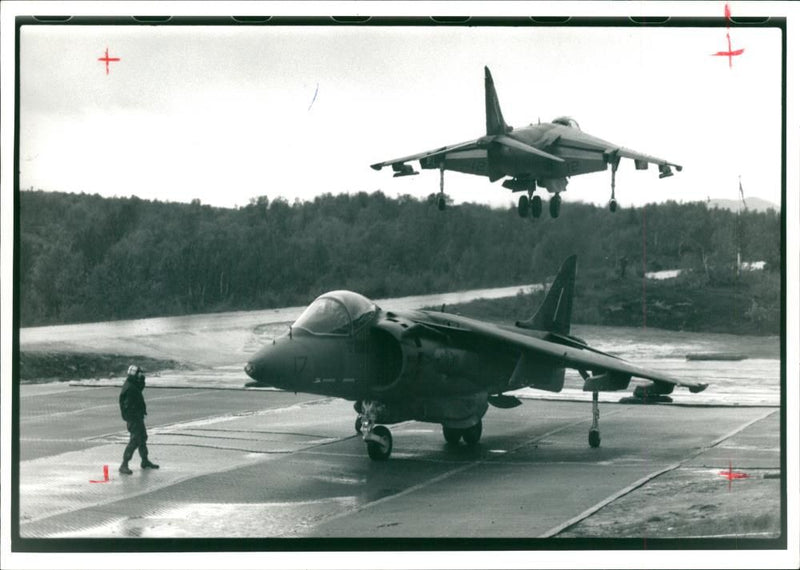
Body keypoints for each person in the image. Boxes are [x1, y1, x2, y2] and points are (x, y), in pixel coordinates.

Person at [118, 365, 160, 474]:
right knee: (135, 440)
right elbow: (127, 406)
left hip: (137, 417)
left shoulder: (132, 384)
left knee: (142, 438)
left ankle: (144, 461)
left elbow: (139, 388)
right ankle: (124, 465)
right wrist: (134, 418)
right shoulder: (129, 388)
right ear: (135, 374)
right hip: (134, 419)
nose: (141, 375)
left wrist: (142, 380)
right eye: (139, 374)